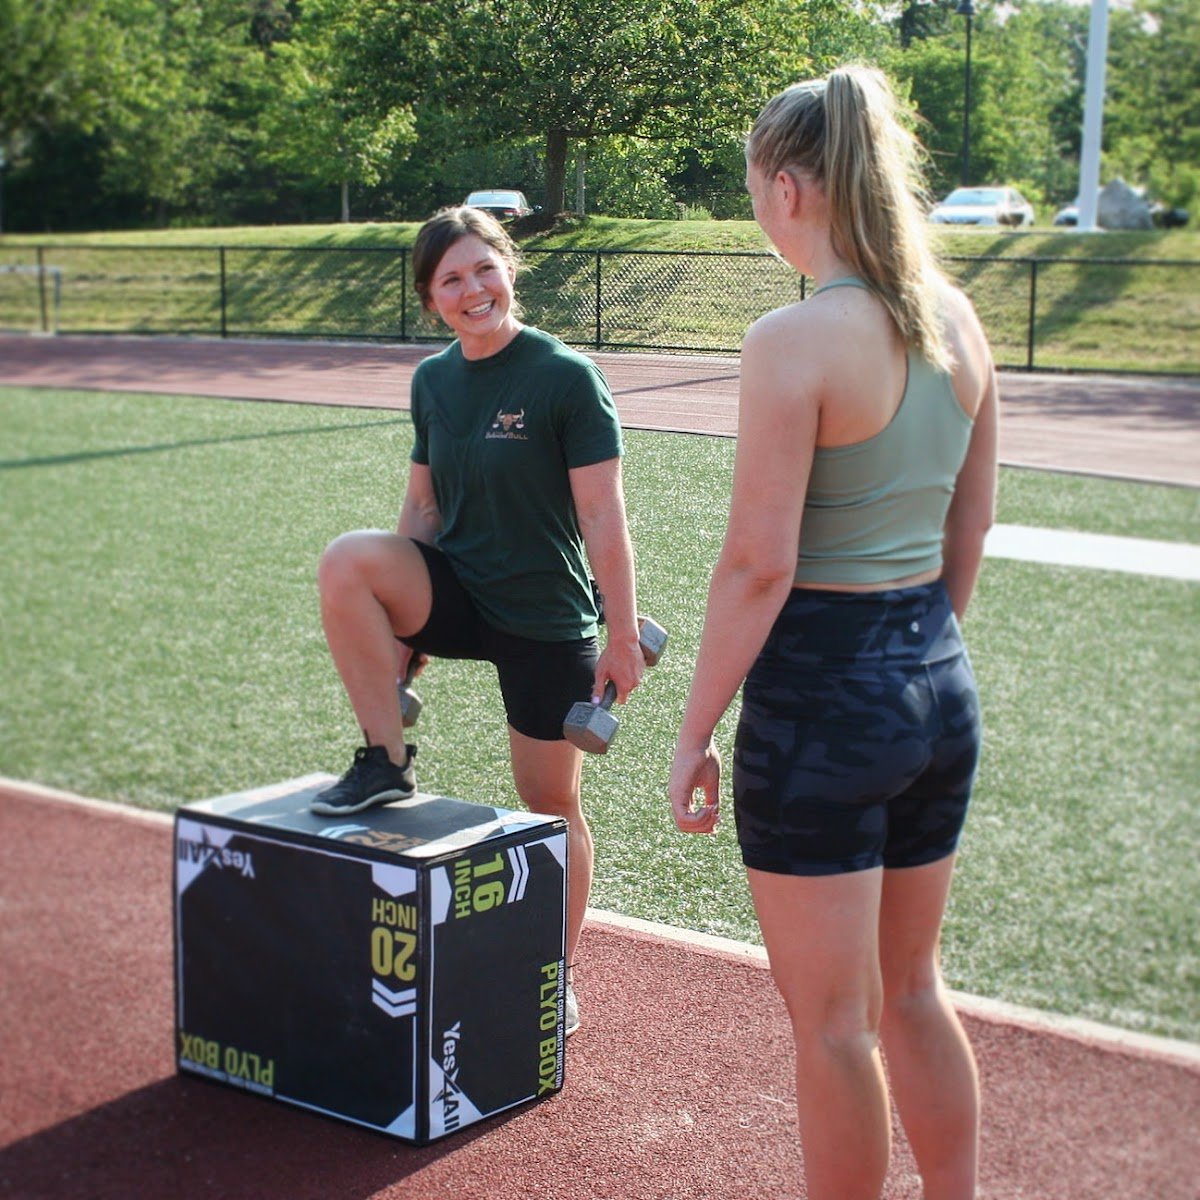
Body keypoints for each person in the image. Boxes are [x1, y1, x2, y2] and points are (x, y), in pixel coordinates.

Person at [668, 66, 998, 1200]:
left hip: (822, 698)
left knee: (834, 1026)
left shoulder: (794, 339)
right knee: (913, 989)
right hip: (935, 676)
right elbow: (969, 527)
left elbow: (759, 565)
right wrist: (915, 662)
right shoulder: (958, 320)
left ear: (789, 186)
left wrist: (694, 730)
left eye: (753, 185)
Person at [312, 205, 645, 1037]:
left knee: (548, 802)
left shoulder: (564, 377)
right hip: (458, 591)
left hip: (543, 614)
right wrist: (402, 629)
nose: (472, 290)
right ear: (431, 299)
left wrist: (623, 634)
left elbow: (602, 516)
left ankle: (557, 972)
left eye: (483, 269)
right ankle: (385, 761)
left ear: (509, 269)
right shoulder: (433, 381)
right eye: (450, 280)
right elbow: (422, 507)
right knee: (349, 560)